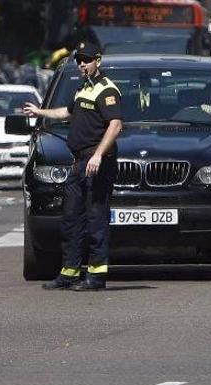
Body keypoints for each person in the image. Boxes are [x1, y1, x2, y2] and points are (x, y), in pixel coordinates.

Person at [23, 42, 123, 291]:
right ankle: (69, 272)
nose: (82, 64)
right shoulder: (82, 89)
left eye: (87, 60)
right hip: (78, 162)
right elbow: (66, 113)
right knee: (71, 218)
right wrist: (40, 112)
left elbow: (115, 125)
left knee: (96, 218)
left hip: (96, 162)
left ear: (98, 61)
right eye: (79, 61)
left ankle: (97, 276)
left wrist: (98, 155)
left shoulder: (106, 90)